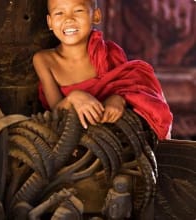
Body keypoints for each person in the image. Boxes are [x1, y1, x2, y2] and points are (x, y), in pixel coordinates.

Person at [33, 0, 173, 140]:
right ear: (50, 22)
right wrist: (74, 97)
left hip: (113, 138)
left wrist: (118, 99)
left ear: (96, 16)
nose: (69, 19)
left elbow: (131, 86)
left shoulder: (109, 53)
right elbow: (54, 111)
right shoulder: (44, 60)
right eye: (59, 13)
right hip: (73, 140)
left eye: (78, 11)